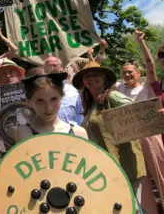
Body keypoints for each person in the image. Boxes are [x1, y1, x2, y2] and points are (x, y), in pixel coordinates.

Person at [72, 60, 146, 210]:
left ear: (105, 78)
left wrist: (153, 114)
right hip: (106, 168)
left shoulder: (113, 96)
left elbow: (134, 111)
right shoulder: (91, 104)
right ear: (83, 82)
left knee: (131, 208)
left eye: (95, 74)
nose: (91, 78)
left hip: (125, 164)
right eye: (87, 76)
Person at [129, 30, 164, 213]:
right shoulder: (156, 86)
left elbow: (149, 66)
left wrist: (141, 42)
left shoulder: (150, 87)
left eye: (131, 72)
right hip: (146, 138)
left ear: (138, 73)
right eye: (162, 55)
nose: (127, 75)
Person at [15, 73, 88, 142]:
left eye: (54, 99)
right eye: (40, 100)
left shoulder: (78, 133)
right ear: (29, 102)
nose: (49, 108)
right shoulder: (24, 133)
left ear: (61, 97)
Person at [0, 58, 26, 150]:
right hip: (11, 148)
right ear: (0, 79)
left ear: (19, 74)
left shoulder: (31, 92)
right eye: (3, 74)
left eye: (11, 71)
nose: (8, 75)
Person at [44, 56, 84, 125]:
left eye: (55, 65)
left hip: (71, 133)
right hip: (49, 133)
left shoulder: (73, 90)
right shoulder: (40, 92)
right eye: (48, 66)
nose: (52, 68)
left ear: (61, 68)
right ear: (44, 70)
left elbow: (80, 115)